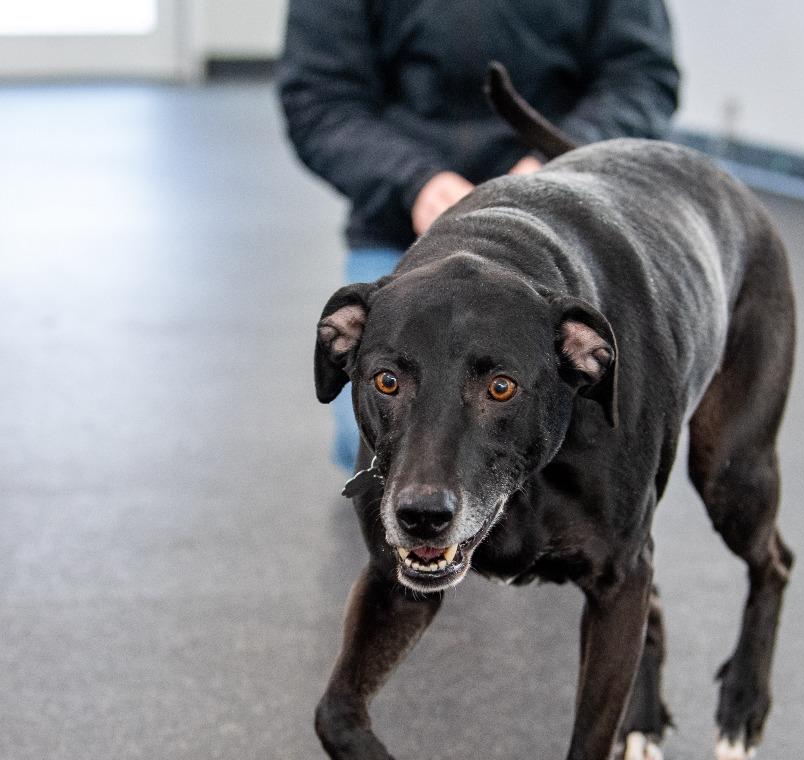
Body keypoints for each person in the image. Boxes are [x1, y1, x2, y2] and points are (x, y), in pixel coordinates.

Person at [278, 0, 680, 471]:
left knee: (592, 437)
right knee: (367, 449)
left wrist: (549, 166)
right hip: (404, 220)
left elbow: (642, 80)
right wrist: (415, 183)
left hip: (560, 221)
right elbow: (319, 99)